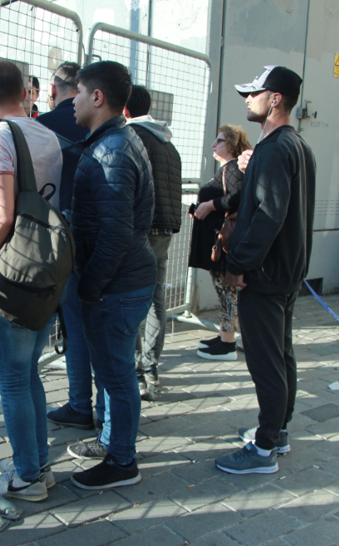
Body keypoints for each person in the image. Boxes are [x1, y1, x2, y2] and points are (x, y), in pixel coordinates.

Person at [0, 61, 63, 502]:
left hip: (11, 269)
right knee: (29, 374)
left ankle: (27, 477)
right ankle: (39, 465)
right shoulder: (46, 134)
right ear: (26, 91)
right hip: (47, 265)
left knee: (14, 380)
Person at [214, 66, 316, 475]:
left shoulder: (277, 149)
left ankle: (264, 448)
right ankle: (278, 431)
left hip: (267, 274)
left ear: (275, 99)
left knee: (265, 362)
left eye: (254, 92)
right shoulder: (294, 146)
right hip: (286, 273)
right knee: (281, 355)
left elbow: (268, 215)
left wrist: (239, 264)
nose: (246, 99)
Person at [65, 61, 157, 490]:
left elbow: (115, 235)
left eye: (78, 91)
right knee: (113, 372)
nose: (72, 99)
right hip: (121, 283)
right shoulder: (114, 140)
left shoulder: (112, 150)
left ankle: (123, 462)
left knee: (118, 377)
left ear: (97, 98)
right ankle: (110, 441)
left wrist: (89, 288)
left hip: (116, 287)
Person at [37, 61, 103, 431]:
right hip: (91, 239)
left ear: (52, 89)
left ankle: (80, 404)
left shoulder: (41, 126)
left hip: (48, 240)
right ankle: (89, 405)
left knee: (52, 326)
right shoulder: (100, 128)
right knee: (83, 325)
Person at [124, 85, 183, 398]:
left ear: (124, 110)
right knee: (156, 298)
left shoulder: (132, 136)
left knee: (131, 297)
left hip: (141, 228)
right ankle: (151, 367)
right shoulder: (167, 142)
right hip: (166, 228)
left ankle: (135, 369)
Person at [188, 124, 251, 361]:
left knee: (226, 290)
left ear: (232, 145)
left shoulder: (233, 168)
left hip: (222, 241)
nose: (214, 144)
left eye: (219, 140)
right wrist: (200, 208)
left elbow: (237, 197)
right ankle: (225, 334)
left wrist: (209, 205)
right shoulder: (227, 169)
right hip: (218, 239)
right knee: (223, 288)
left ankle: (227, 344)